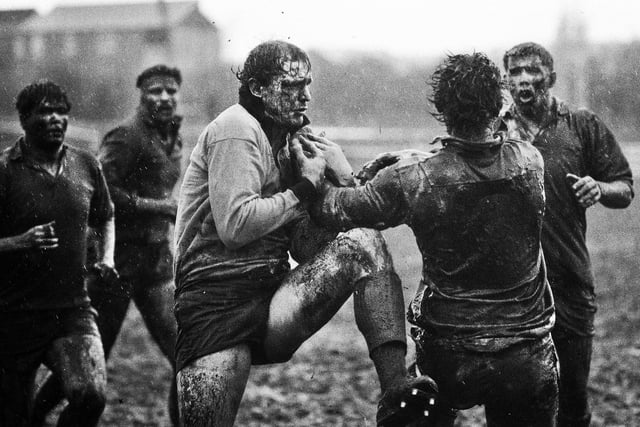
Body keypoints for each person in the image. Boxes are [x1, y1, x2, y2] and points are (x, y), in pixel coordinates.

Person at [173, 40, 433, 426]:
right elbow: (236, 226)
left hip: (271, 297)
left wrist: (351, 179)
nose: (306, 96)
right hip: (216, 303)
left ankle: (396, 387)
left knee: (363, 245)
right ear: (259, 88)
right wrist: (305, 189)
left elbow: (310, 236)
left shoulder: (293, 139)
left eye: (307, 85)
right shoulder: (235, 128)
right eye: (293, 86)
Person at [295, 52, 559, 426]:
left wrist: (317, 172)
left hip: (450, 356)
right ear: (500, 104)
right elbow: (482, 159)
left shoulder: (412, 180)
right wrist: (418, 157)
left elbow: (334, 209)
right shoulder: (530, 160)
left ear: (441, 108)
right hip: (528, 353)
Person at [32, 65, 182, 425]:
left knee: (186, 355)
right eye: (155, 91)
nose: (164, 97)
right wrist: (159, 208)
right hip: (117, 265)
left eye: (170, 91)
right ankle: (31, 415)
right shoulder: (125, 136)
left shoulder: (171, 136)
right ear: (142, 95)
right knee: (92, 362)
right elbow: (99, 192)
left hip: (157, 265)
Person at [499, 42, 634, 427]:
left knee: (572, 398)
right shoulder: (494, 131)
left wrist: (600, 189)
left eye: (533, 71)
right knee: (512, 402)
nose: (524, 79)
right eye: (516, 72)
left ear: (551, 78)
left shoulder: (582, 125)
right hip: (510, 290)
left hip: (569, 283)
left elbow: (624, 187)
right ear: (506, 80)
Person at [0, 79, 116, 426]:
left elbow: (106, 214)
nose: (54, 119)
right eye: (44, 111)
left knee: (91, 397)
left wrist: (107, 257)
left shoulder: (86, 164)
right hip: (12, 317)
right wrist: (20, 241)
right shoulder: (4, 170)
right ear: (23, 119)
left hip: (71, 311)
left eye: (60, 111)